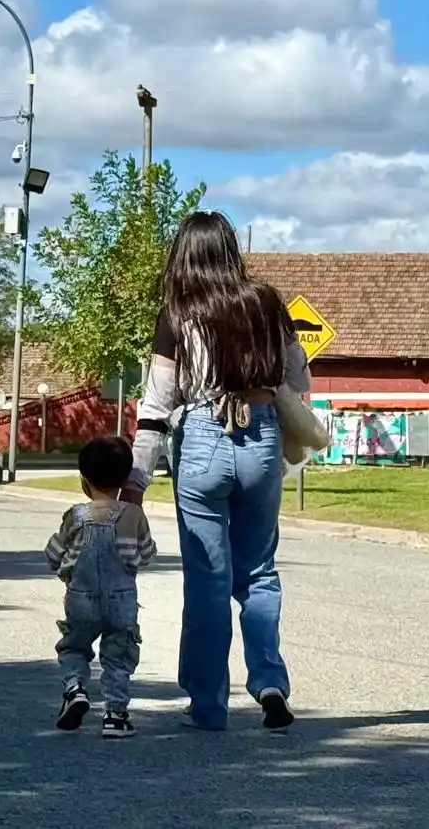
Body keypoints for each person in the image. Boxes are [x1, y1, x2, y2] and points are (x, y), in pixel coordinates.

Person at [120, 211, 310, 732]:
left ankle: (208, 707)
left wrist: (136, 482)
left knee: (208, 578)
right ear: (230, 249)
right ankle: (270, 683)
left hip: (203, 437)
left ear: (182, 255)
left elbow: (157, 405)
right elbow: (299, 378)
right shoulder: (267, 303)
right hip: (262, 436)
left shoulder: (177, 313)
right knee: (259, 571)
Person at [44, 436, 158, 738]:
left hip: (81, 598)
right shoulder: (133, 515)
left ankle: (75, 688)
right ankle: (115, 715)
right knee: (119, 656)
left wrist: (63, 568)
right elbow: (147, 554)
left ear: (84, 479)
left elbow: (53, 554)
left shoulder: (75, 516)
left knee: (74, 647)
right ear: (125, 479)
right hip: (122, 601)